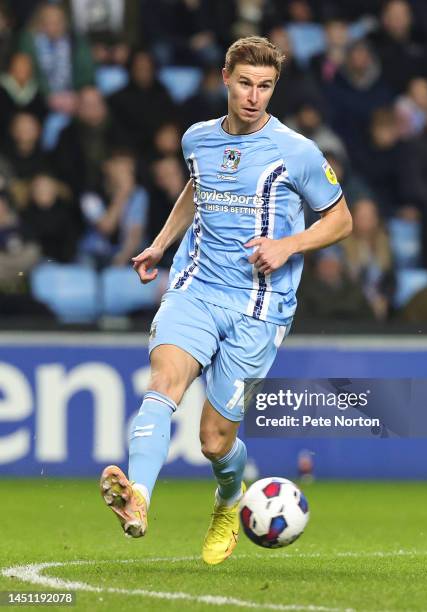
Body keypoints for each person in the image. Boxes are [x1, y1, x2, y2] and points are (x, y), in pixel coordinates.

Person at [99, 36, 352, 565]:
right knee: (163, 384)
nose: (254, 96)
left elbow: (341, 219)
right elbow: (197, 189)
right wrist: (160, 244)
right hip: (196, 288)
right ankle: (139, 499)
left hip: (259, 309)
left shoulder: (296, 151)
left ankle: (228, 497)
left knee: (215, 441)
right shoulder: (197, 138)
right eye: (245, 83)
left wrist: (288, 244)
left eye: (265, 86)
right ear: (225, 78)